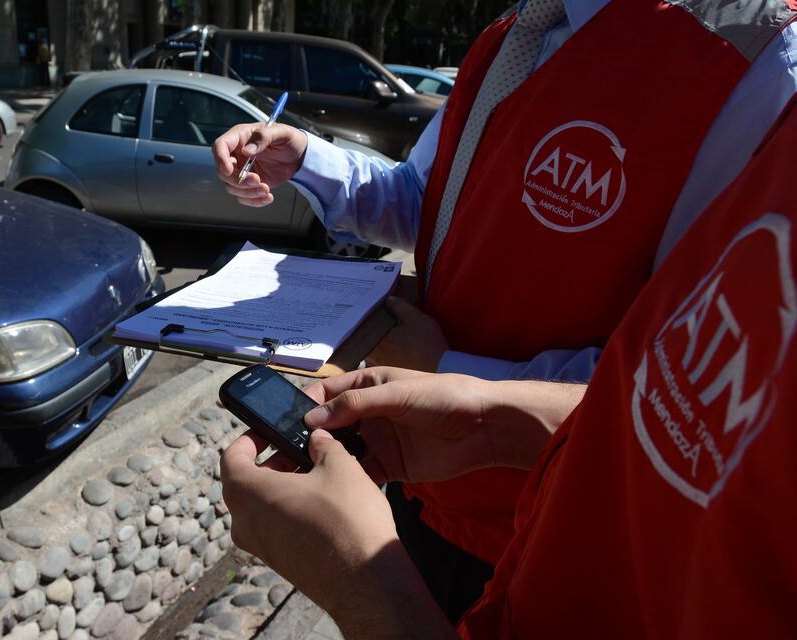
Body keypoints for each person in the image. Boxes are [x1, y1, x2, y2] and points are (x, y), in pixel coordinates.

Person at [214, 0, 797, 618]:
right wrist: (307, 159)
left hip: (544, 532)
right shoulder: (513, 32)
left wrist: (451, 367)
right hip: (419, 479)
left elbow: (684, 385)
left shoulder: (761, 65)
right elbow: (431, 197)